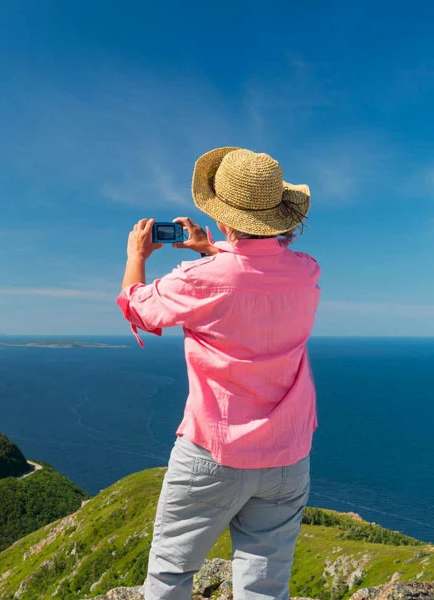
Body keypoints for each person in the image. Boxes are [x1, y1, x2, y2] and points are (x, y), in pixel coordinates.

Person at [117, 147, 320, 600]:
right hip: (288, 454)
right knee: (265, 583)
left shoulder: (198, 278)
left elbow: (138, 306)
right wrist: (212, 248)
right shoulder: (306, 273)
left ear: (223, 218)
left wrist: (138, 254)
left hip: (214, 452)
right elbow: (252, 273)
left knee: (172, 573)